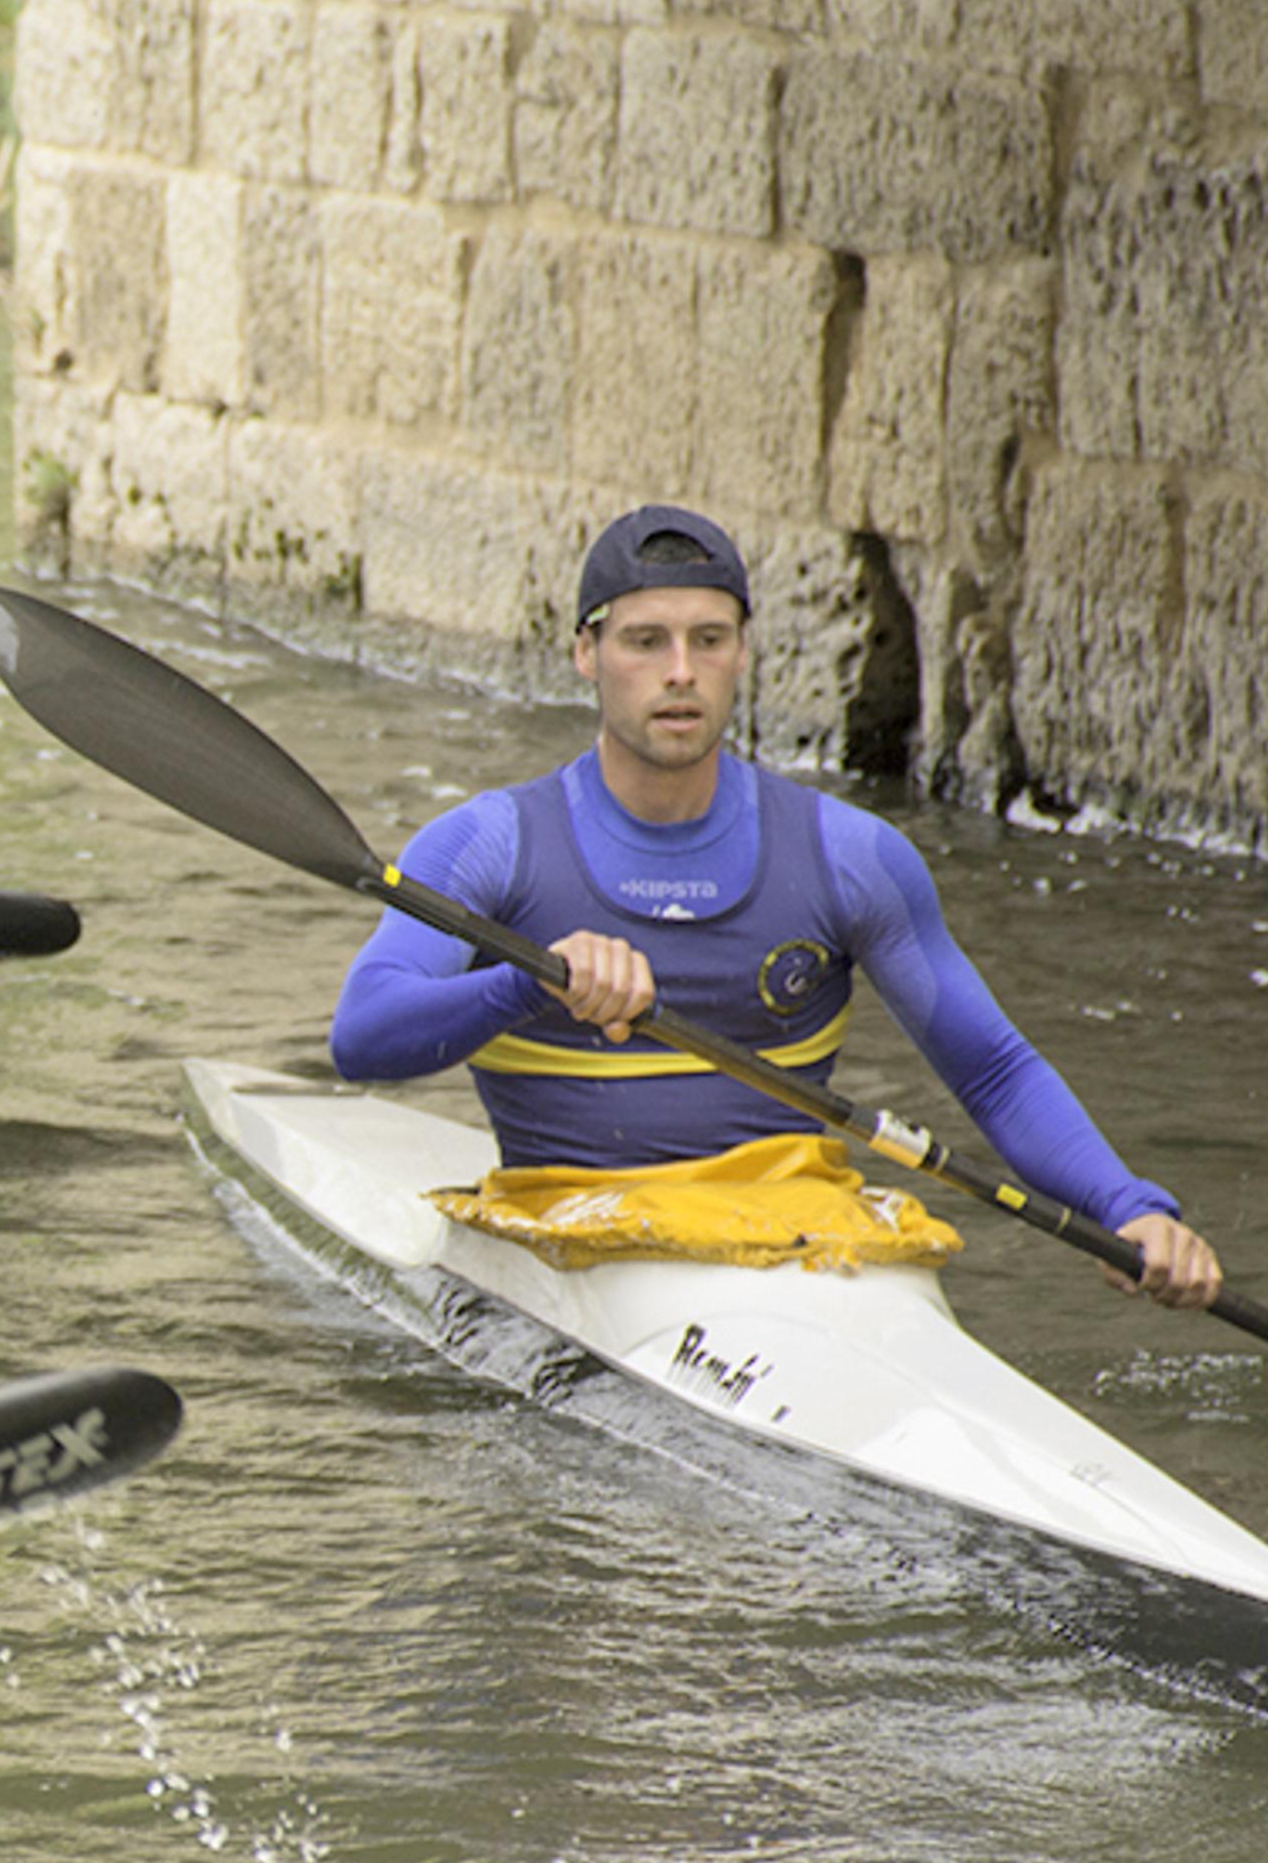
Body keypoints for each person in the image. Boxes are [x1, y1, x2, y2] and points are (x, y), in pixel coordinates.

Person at [327, 502, 1222, 1307]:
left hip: (806, 1235)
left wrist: (1129, 1207)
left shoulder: (851, 856)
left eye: (708, 639)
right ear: (584, 653)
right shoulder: (488, 844)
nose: (680, 672)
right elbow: (363, 1037)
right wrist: (526, 985)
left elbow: (990, 1068)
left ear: (743, 653)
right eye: (644, 641)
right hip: (575, 1228)